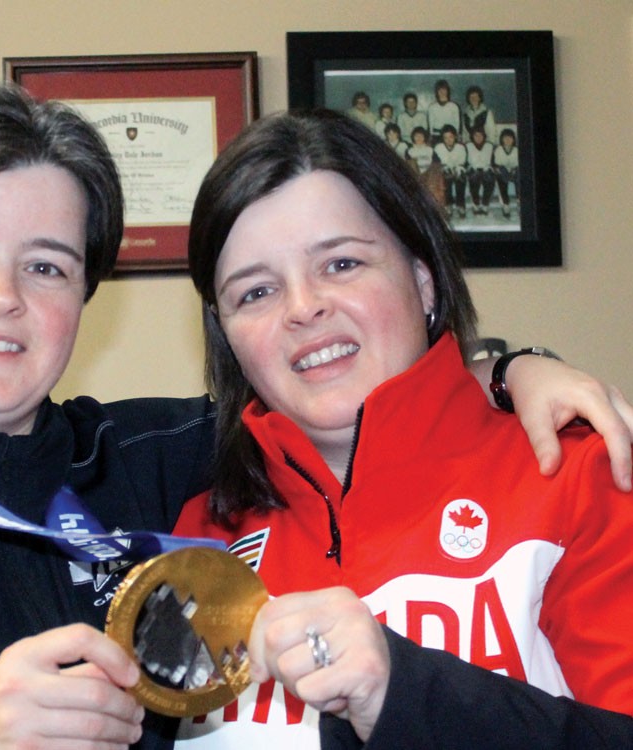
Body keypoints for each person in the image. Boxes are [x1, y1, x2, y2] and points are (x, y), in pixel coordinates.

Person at [0, 84, 632, 750]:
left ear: (83, 297)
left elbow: (340, 387)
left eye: (47, 265)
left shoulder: (156, 462)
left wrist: (503, 367)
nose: (0, 296)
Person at [173, 108, 633, 748]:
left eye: (341, 264)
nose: (304, 308)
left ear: (423, 280)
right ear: (227, 337)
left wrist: (407, 692)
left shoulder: (578, 472)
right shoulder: (195, 537)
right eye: (255, 292)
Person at [433, 124, 468, 220]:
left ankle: (460, 204)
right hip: (444, 170)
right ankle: (449, 204)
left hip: (457, 168)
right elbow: (437, 163)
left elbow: (462, 162)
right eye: (445, 137)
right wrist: (446, 168)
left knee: (461, 177)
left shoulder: (460, 147)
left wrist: (456, 169)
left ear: (455, 137)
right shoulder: (438, 147)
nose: (448, 140)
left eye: (451, 137)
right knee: (446, 178)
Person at [465, 127, 496, 215]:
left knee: (490, 179)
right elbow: (465, 161)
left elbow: (493, 161)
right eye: (476, 135)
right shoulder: (468, 146)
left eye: (480, 135)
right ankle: (476, 204)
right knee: (474, 179)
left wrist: (490, 168)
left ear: (484, 136)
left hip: (486, 169)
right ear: (472, 136)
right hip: (473, 169)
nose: (478, 138)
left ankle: (485, 204)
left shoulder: (489, 146)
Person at [493, 127, 520, 219]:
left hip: (514, 173)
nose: (508, 140)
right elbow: (497, 165)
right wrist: (503, 170)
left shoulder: (516, 150)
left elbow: (518, 164)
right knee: (500, 174)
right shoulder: (498, 150)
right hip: (503, 174)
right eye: (505, 138)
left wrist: (513, 170)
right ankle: (506, 204)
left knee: (519, 175)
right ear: (502, 139)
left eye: (510, 138)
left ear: (513, 139)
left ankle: (519, 201)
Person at [426, 79, 461, 144]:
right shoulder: (432, 107)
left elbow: (457, 123)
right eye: (440, 90)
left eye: (444, 90)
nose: (442, 92)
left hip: (450, 136)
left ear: (447, 91)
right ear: (437, 92)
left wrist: (457, 135)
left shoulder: (454, 106)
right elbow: (431, 123)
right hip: (436, 136)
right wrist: (430, 136)